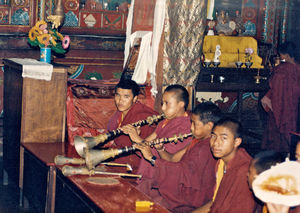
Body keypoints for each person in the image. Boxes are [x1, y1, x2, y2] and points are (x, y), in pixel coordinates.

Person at [133, 102, 222, 212]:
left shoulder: (205, 148)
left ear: (209, 126)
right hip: (183, 189)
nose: (191, 128)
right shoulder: (196, 141)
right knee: (145, 187)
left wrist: (152, 158)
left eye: (194, 124)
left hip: (192, 198)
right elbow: (173, 159)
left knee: (147, 200)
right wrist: (161, 149)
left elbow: (181, 172)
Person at [121, 84, 192, 186]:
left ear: (181, 104)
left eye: (167, 103)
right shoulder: (164, 122)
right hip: (147, 174)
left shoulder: (186, 128)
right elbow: (145, 144)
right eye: (162, 103)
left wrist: (137, 139)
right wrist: (135, 137)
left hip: (162, 180)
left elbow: (166, 158)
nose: (162, 108)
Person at [194, 117, 255, 213]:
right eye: (213, 136)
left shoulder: (245, 171)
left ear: (236, 142)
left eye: (224, 138)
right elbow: (216, 202)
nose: (216, 143)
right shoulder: (221, 163)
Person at [106, 79, 158, 172]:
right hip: (118, 158)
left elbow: (148, 150)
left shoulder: (143, 117)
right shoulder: (120, 112)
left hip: (134, 167)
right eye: (118, 95)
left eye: (126, 97)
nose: (120, 101)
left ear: (135, 99)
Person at [261, 42, 300, 154]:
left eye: (281, 54)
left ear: (286, 55)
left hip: (279, 105)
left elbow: (275, 88)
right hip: (293, 106)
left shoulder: (281, 70)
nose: (280, 57)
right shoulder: (298, 68)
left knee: (277, 130)